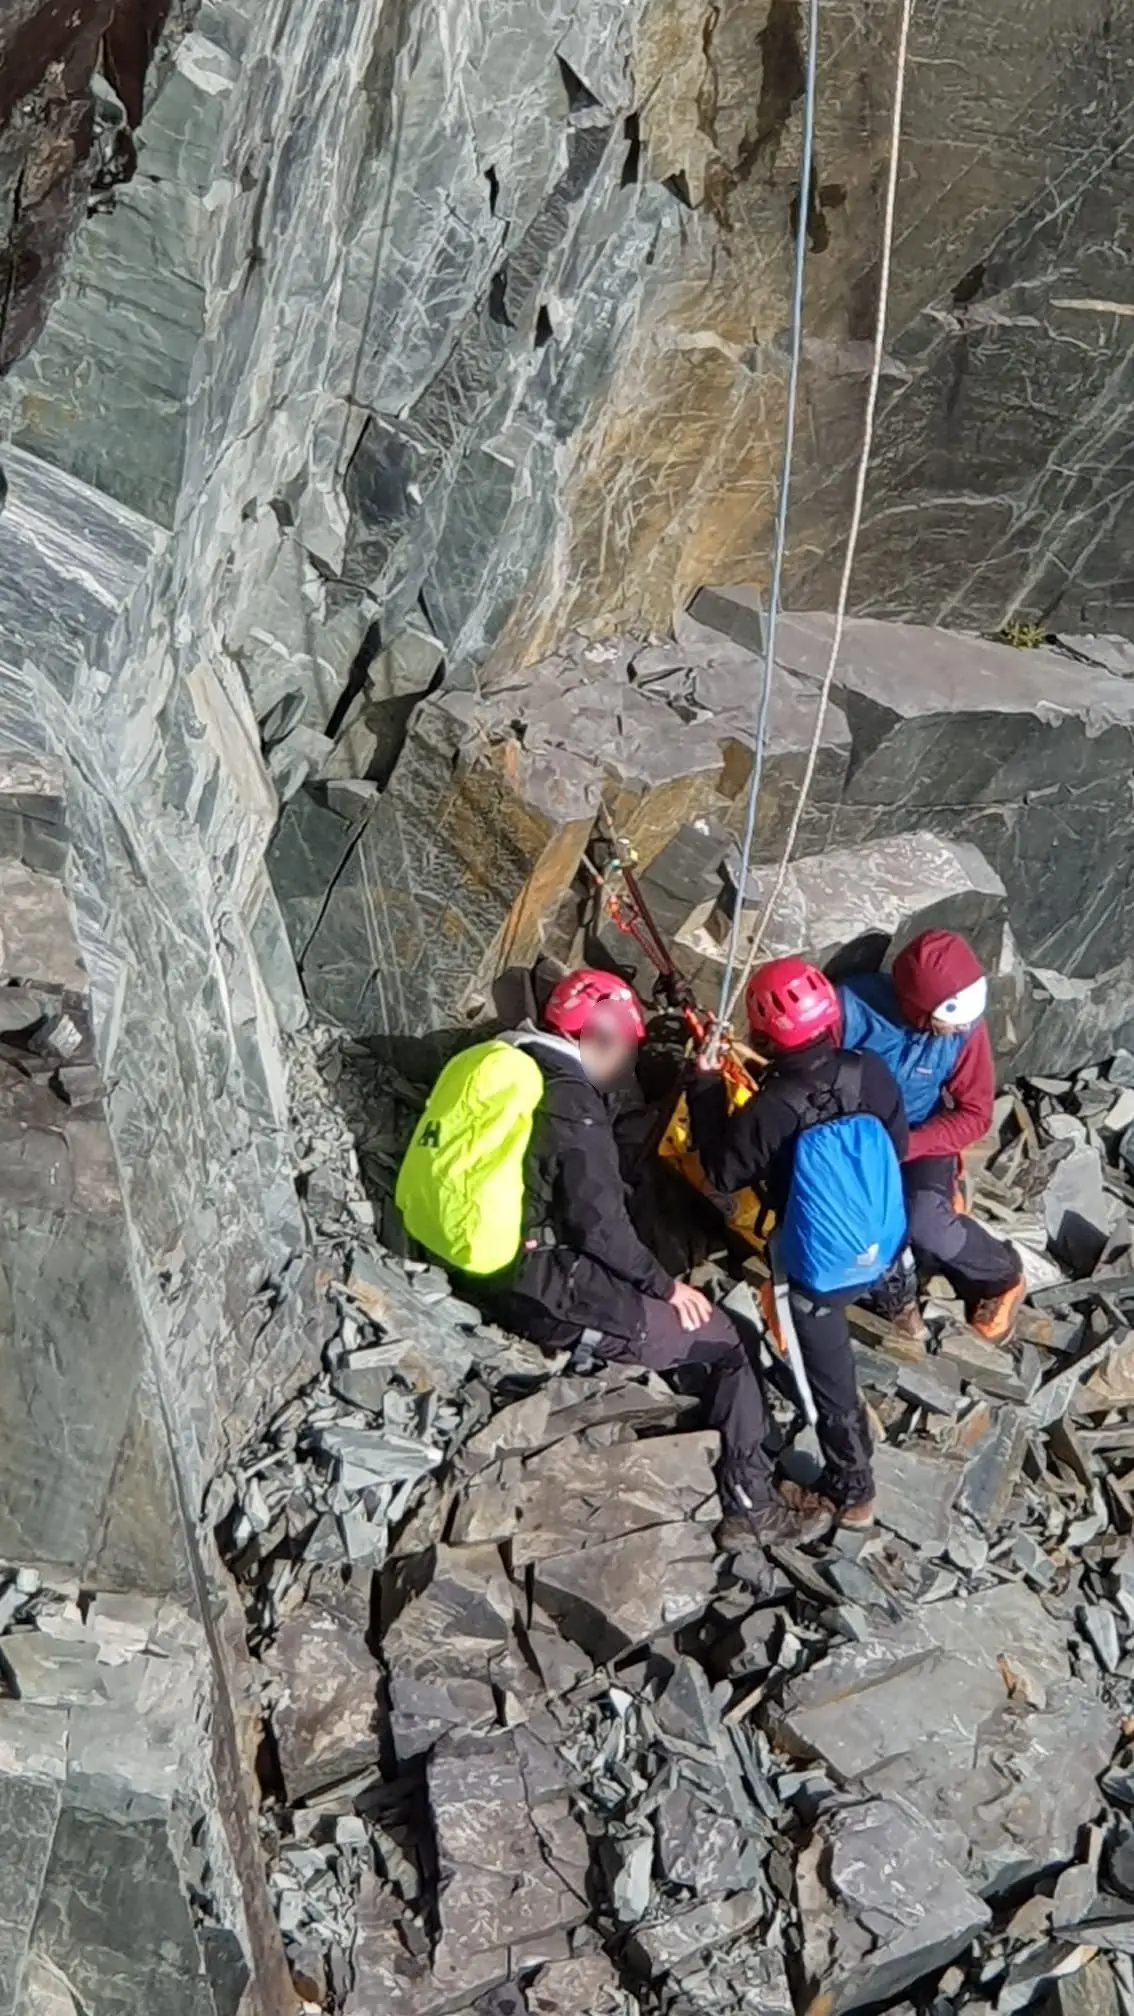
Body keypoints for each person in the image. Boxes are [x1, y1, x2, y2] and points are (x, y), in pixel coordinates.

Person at [487, 968, 830, 1548]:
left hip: (499, 1259)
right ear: (597, 1039)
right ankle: (752, 1506)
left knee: (695, 1325)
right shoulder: (575, 1103)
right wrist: (665, 1287)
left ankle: (704, 1413)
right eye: (627, 1050)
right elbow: (599, 1228)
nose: (625, 1068)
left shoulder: (511, 1063)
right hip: (550, 1285)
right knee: (726, 1340)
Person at [688, 956, 915, 1529]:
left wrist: (706, 1088)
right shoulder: (870, 1070)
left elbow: (720, 1171)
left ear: (765, 1033)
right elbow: (897, 1143)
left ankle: (854, 1488)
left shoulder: (774, 1107)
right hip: (884, 1241)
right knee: (878, 1256)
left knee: (828, 1380)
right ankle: (904, 1308)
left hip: (818, 1267)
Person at [839, 929, 1025, 1345]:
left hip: (918, 1137)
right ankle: (895, 1299)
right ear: (919, 1006)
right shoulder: (850, 1010)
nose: (963, 1026)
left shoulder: (964, 1032)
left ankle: (1002, 1274)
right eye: (952, 1016)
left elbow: (975, 1113)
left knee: (927, 1223)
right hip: (850, 1142)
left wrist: (911, 1145)